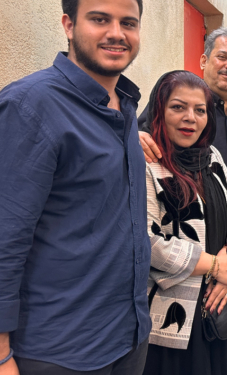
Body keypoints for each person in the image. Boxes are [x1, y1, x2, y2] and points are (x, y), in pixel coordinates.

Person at [0, 0, 150, 374]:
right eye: (100, 19)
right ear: (69, 25)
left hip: (127, 336)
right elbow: (5, 237)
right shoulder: (31, 105)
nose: (117, 33)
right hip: (59, 351)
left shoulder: (125, 106)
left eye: (128, 23)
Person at [140, 70, 227, 375]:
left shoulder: (211, 156)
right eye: (178, 107)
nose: (190, 117)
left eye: (200, 110)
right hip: (170, 312)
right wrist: (216, 266)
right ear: (159, 110)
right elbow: (146, 242)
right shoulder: (147, 162)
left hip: (218, 303)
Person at [139, 27, 227, 262]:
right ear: (204, 61)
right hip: (184, 241)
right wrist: (130, 137)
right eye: (222, 56)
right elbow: (141, 137)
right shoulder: (178, 106)